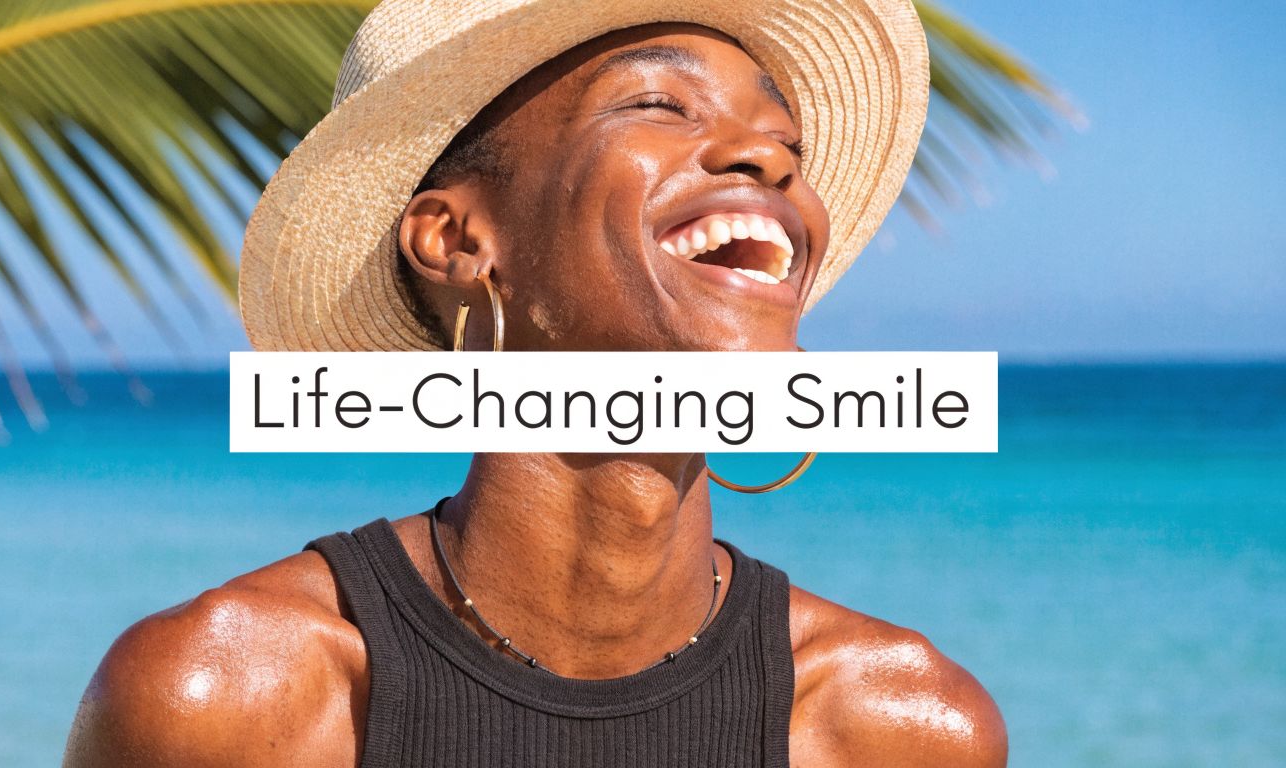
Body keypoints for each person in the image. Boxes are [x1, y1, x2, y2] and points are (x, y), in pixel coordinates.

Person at [64, 0, 1007, 765]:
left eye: (786, 147)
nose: (768, 162)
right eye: (658, 106)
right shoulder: (221, 701)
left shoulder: (902, 726)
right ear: (458, 240)